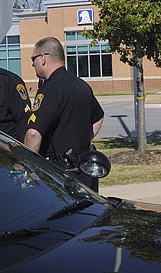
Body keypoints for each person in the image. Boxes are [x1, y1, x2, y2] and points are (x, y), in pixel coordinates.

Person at [24, 37, 104, 191]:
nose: (32, 64)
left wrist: (27, 165)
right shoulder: (81, 85)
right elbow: (98, 117)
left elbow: (33, 133)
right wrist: (81, 142)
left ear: (43, 58)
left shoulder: (50, 89)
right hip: (84, 169)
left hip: (59, 174)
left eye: (33, 59)